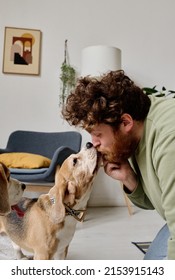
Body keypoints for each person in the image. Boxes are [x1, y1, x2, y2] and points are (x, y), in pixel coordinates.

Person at [62, 70, 175, 260]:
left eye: (98, 134)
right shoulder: (135, 135)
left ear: (125, 122)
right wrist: (129, 178)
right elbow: (159, 202)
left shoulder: (169, 141)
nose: (94, 143)